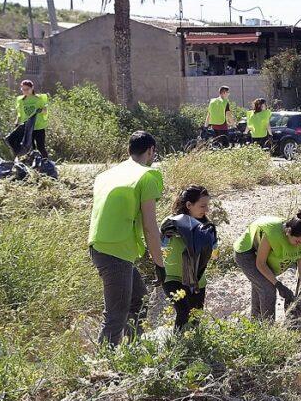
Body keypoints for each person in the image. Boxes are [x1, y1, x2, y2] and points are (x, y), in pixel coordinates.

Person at [88, 131, 165, 346]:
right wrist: (160, 265)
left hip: (100, 245)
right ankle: (103, 369)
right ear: (151, 151)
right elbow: (150, 227)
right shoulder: (146, 176)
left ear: (128, 151)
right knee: (115, 316)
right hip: (116, 250)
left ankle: (134, 350)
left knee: (138, 300)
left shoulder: (108, 174)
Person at [233, 209, 301, 321]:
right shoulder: (273, 234)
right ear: (288, 232)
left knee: (260, 287)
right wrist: (278, 285)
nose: (299, 246)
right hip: (246, 252)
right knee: (268, 288)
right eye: (298, 242)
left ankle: (256, 325)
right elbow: (260, 264)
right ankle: (269, 329)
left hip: (266, 256)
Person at [161, 185, 217, 330]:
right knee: (183, 312)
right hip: (172, 278)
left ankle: (192, 350)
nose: (207, 210)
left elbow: (215, 253)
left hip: (197, 281)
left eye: (207, 205)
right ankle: (178, 349)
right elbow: (159, 247)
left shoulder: (206, 227)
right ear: (189, 205)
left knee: (195, 319)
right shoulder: (170, 223)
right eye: (203, 206)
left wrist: (208, 242)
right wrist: (166, 236)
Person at [13, 80, 49, 158]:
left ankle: (47, 164)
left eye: (27, 89)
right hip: (27, 128)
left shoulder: (39, 99)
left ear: (32, 88)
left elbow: (45, 111)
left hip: (38, 127)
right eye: (23, 89)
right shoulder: (21, 100)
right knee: (29, 148)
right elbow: (19, 114)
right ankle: (33, 166)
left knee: (41, 147)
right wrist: (17, 123)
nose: (25, 91)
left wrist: (41, 110)